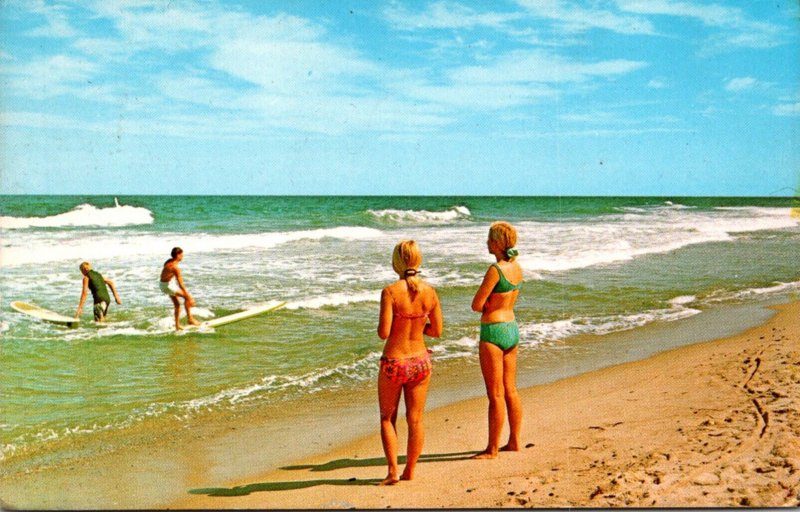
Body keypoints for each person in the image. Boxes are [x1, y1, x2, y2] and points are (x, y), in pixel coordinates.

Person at [377, 240, 443, 485]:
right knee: (415, 419)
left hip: (395, 362)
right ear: (418, 260)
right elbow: (437, 330)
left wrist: (399, 324)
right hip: (420, 361)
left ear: (397, 263)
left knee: (387, 418)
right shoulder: (430, 292)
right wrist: (417, 325)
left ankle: (393, 471)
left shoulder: (390, 292)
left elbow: (384, 333)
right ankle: (410, 471)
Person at [471, 222, 523, 459]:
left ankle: (492, 448)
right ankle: (514, 441)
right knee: (511, 389)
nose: (486, 242)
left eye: (490, 239)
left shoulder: (495, 270)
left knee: (495, 394)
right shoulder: (517, 268)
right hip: (511, 327)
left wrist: (487, 304)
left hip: (493, 330)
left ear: (499, 243)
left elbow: (476, 304)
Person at [160, 247, 200, 330]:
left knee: (177, 304)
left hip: (164, 284)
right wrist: (189, 296)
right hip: (168, 286)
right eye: (181, 254)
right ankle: (190, 319)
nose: (183, 256)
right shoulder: (175, 267)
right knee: (187, 298)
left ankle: (177, 326)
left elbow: (167, 274)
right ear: (177, 255)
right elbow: (181, 283)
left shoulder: (169, 261)